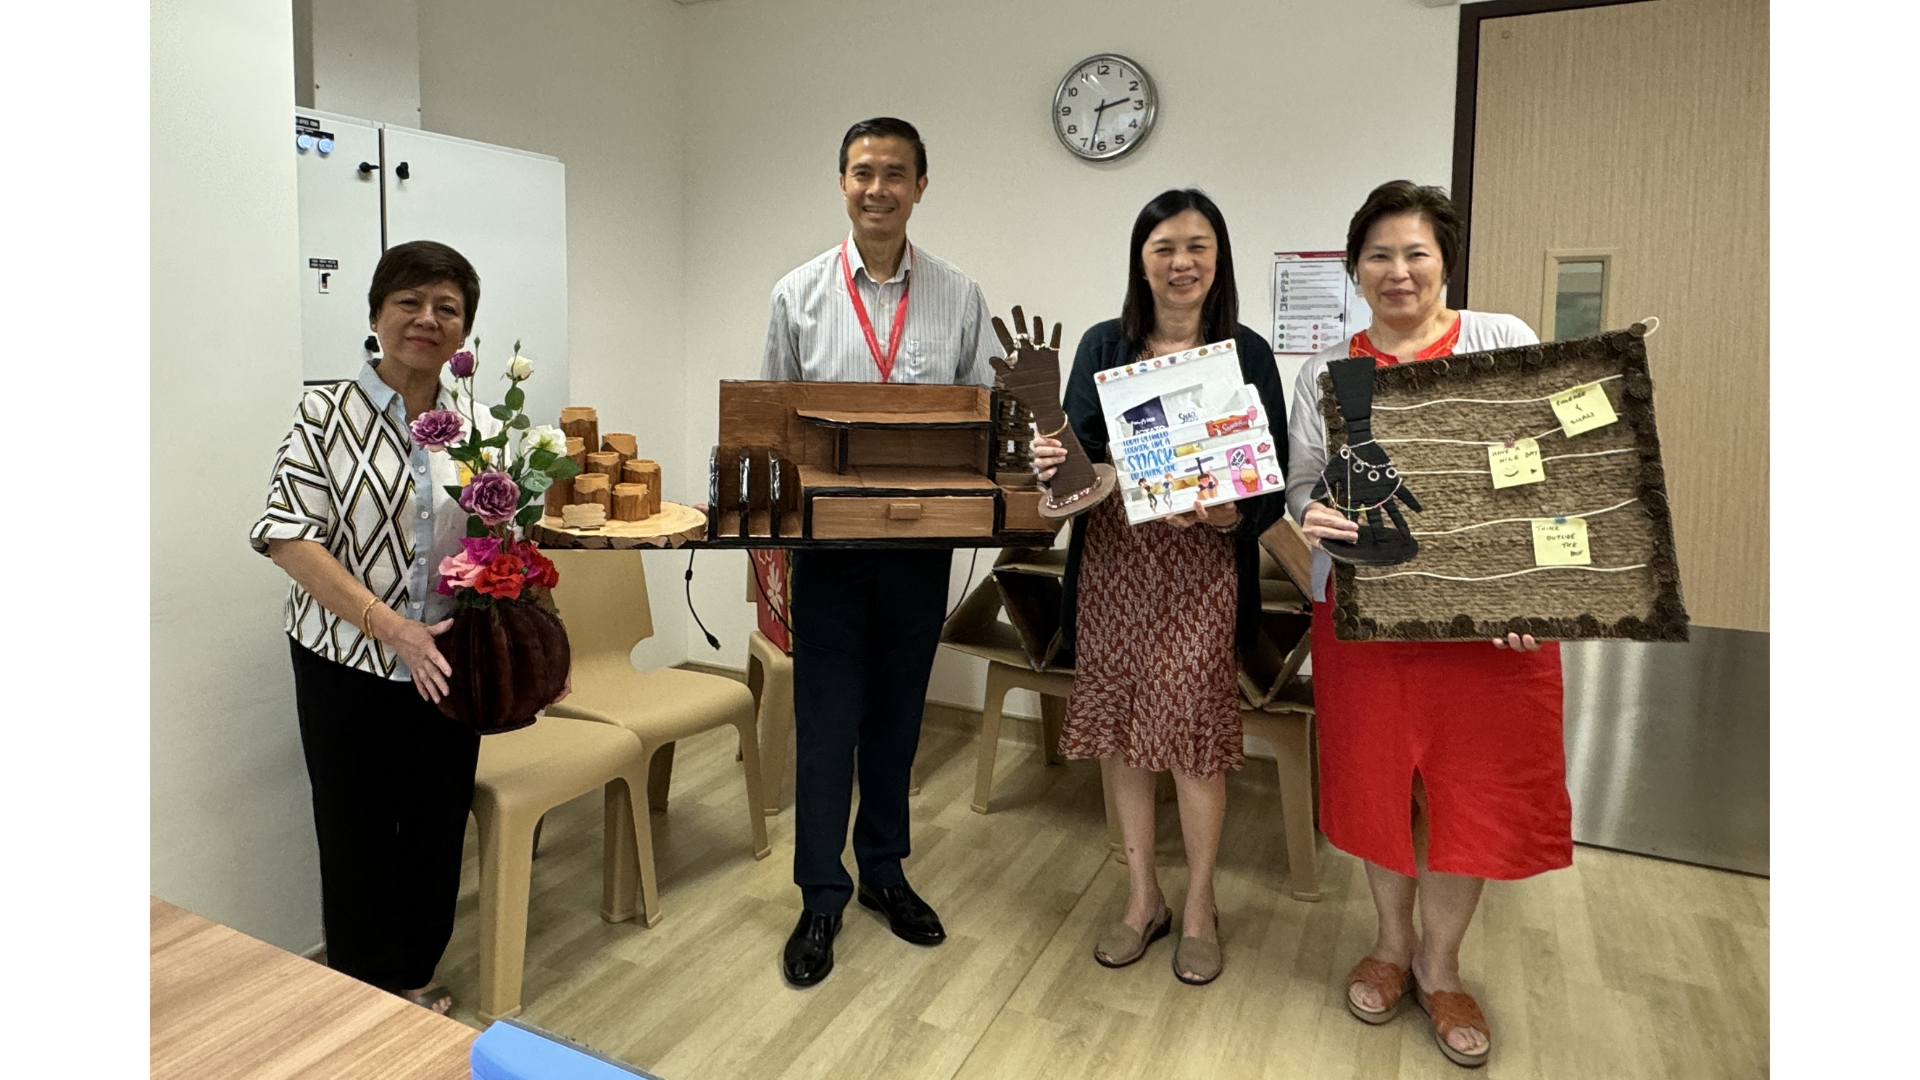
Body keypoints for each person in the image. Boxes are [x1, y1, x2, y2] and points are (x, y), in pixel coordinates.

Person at [1284, 180, 1570, 1068]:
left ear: (1445, 259)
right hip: (1369, 621)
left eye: (1415, 253)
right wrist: (1313, 516)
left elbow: (1547, 476)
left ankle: (1443, 966)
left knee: (1471, 791)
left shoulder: (1502, 340)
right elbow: (1302, 488)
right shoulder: (1326, 371)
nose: (1398, 271)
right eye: (1379, 255)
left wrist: (1533, 588)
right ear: (1355, 269)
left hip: (1488, 630)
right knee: (1377, 783)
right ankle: (1391, 944)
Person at [761, 117, 997, 988]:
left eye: (895, 173)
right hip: (829, 547)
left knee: (897, 721)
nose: (878, 188)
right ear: (842, 183)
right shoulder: (798, 294)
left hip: (922, 542)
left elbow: (984, 415)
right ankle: (820, 893)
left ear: (921, 187)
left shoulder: (961, 295)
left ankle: (884, 875)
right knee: (826, 729)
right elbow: (774, 429)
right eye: (863, 172)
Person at [1031, 189, 1288, 985]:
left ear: (1219, 259)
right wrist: (1059, 464)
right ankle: (1144, 898)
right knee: (1122, 730)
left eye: (1198, 247)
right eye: (1164, 248)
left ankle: (1202, 903)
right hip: (1115, 566)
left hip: (1202, 574)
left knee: (1192, 737)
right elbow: (1071, 464)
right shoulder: (1104, 344)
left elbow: (1269, 489)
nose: (1182, 264)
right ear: (1141, 261)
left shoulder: (1246, 351)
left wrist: (1223, 513)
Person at [250, 240, 507, 1015]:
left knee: (435, 821)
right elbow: (285, 536)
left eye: (447, 308)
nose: (427, 320)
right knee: (356, 826)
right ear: (376, 314)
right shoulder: (324, 412)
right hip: (344, 657)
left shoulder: (478, 423)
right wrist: (388, 625)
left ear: (464, 331)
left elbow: (494, 532)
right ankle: (366, 991)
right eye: (409, 303)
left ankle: (416, 977)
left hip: (446, 658)